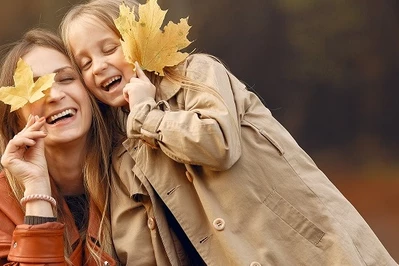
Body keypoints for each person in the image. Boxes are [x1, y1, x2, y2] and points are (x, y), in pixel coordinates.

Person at [60, 0, 398, 265]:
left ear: (139, 39)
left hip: (301, 251)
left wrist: (147, 115)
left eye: (108, 49)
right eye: (85, 63)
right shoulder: (126, 155)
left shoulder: (196, 75)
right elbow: (138, 248)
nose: (99, 66)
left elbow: (217, 144)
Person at [0, 28, 119, 265]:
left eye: (66, 78)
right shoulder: (3, 204)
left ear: (91, 93)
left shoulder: (137, 173)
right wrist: (36, 190)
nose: (54, 95)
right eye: (36, 90)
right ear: (16, 120)